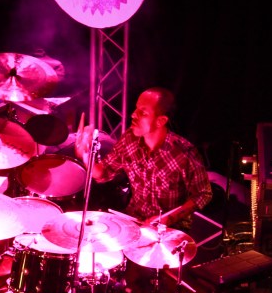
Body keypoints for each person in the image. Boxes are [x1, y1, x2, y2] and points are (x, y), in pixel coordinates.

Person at [74, 86, 213, 231]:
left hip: (170, 228)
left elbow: (203, 194)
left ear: (160, 121)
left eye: (143, 113)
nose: (133, 115)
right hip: (134, 219)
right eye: (136, 109)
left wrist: (168, 218)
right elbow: (103, 173)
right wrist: (86, 155)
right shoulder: (129, 139)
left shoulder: (183, 153)